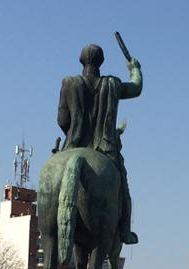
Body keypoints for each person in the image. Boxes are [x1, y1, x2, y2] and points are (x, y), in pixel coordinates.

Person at [57, 43, 143, 245]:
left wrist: (72, 133)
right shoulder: (112, 84)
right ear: (101, 62)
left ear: (81, 60)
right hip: (105, 150)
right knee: (123, 187)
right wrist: (135, 69)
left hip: (72, 146)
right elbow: (136, 87)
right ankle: (125, 230)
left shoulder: (69, 83)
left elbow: (62, 120)